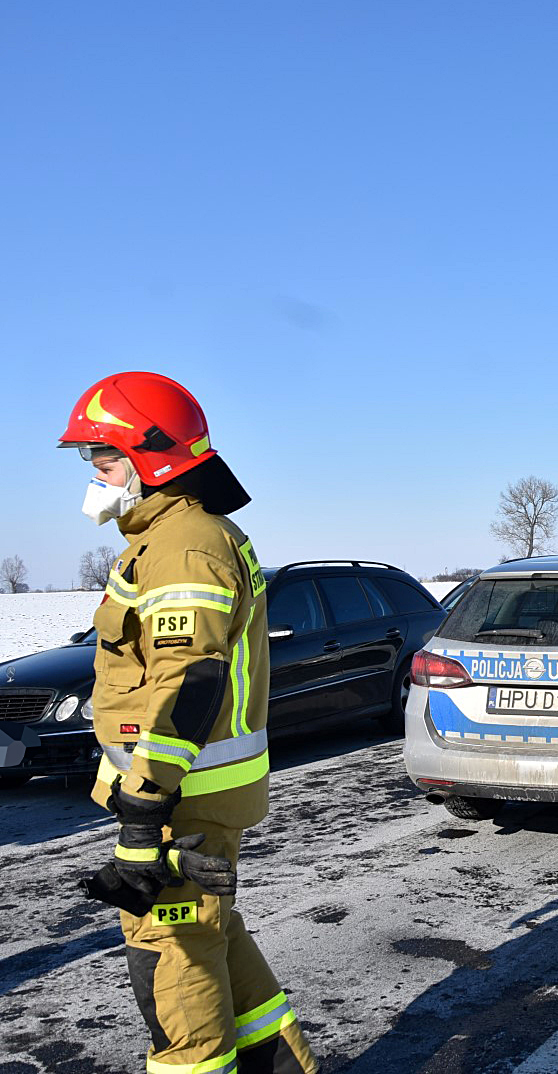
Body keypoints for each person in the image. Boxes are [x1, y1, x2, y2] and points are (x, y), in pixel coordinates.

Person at [59, 372, 319, 1074]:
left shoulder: (184, 543)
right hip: (180, 793)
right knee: (210, 935)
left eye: (104, 459)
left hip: (179, 799)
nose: (96, 477)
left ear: (153, 459)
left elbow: (190, 678)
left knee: (172, 954)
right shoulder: (165, 535)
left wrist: (144, 809)